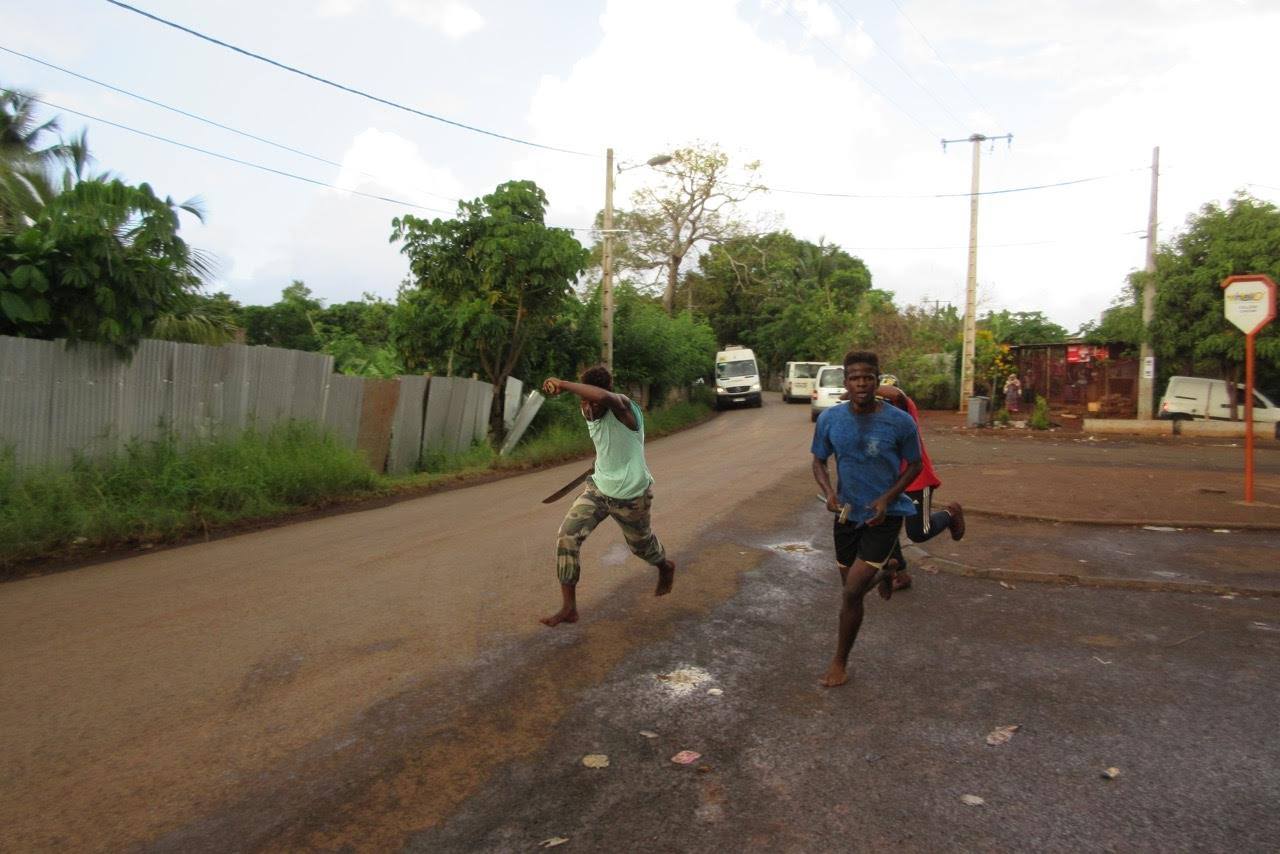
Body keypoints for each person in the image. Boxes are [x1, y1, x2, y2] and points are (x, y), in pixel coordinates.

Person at [811, 351, 922, 688]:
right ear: (845, 382)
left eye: (868, 377)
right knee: (851, 590)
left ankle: (839, 663)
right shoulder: (831, 419)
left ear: (878, 381)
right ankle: (887, 570)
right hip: (846, 515)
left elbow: (915, 465)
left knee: (851, 594)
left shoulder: (900, 422)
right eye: (855, 377)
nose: (862, 383)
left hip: (883, 516)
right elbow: (818, 461)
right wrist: (829, 490)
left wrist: (888, 498)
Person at [538, 365, 676, 627]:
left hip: (631, 495)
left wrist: (564, 384)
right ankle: (569, 608)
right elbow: (606, 441)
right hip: (599, 489)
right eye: (584, 402)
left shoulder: (624, 408)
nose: (589, 408)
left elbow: (606, 399)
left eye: (593, 402)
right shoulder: (588, 410)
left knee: (641, 547)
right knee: (567, 536)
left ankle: (664, 566)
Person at [874, 380, 965, 591]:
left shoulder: (906, 411)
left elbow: (897, 395)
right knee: (882, 528)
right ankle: (900, 574)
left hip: (917, 479)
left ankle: (950, 514)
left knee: (919, 532)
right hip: (892, 484)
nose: (884, 403)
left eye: (886, 399)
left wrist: (862, 388)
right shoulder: (876, 420)